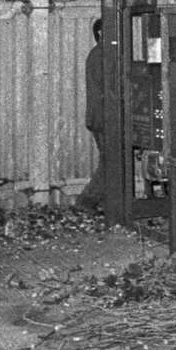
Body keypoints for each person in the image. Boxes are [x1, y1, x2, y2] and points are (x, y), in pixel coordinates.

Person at [77, 18, 107, 211]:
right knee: (111, 162)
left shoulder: (98, 54)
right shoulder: (102, 56)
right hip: (103, 118)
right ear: (101, 33)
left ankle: (104, 202)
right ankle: (87, 201)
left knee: (109, 160)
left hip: (100, 117)